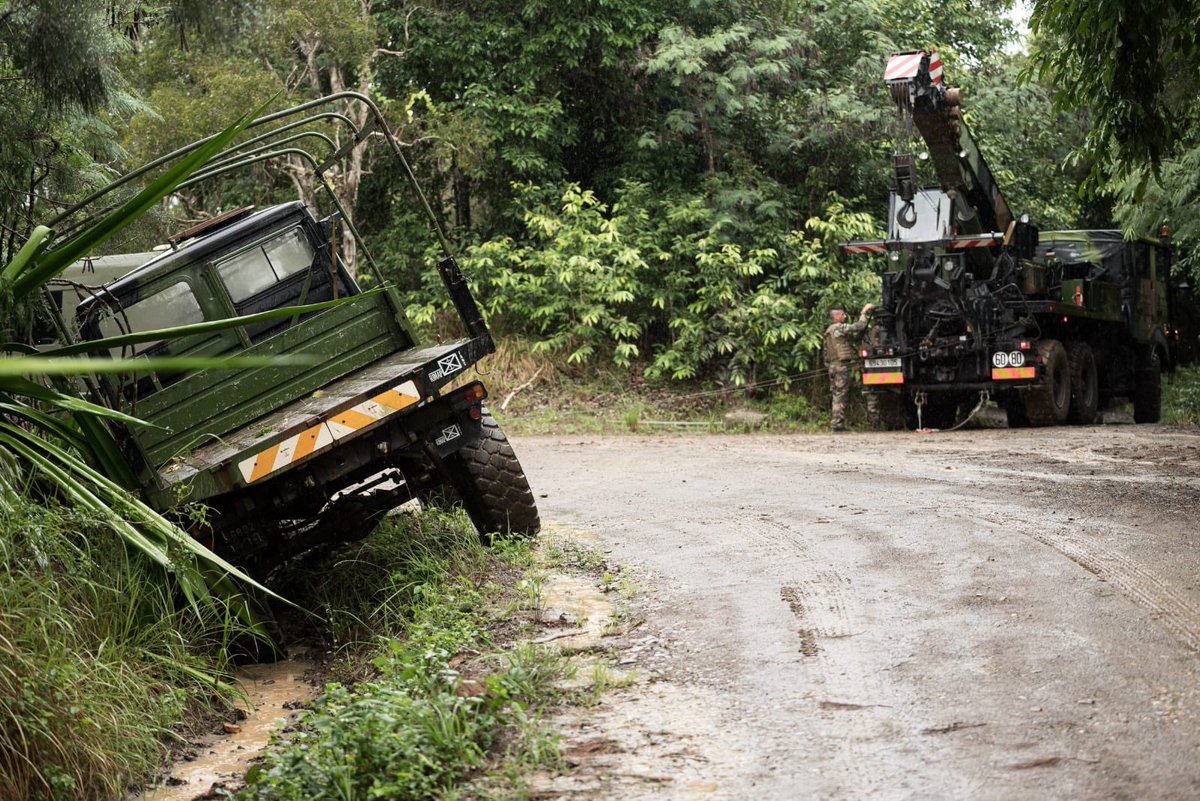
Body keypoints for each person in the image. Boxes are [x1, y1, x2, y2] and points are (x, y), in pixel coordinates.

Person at [823, 304, 875, 431]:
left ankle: (836, 424)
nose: (845, 316)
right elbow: (859, 326)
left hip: (833, 367)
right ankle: (837, 425)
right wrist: (863, 313)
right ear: (836, 316)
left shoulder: (829, 331)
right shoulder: (839, 328)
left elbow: (826, 353)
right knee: (841, 395)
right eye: (843, 314)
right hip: (840, 367)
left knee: (836, 394)